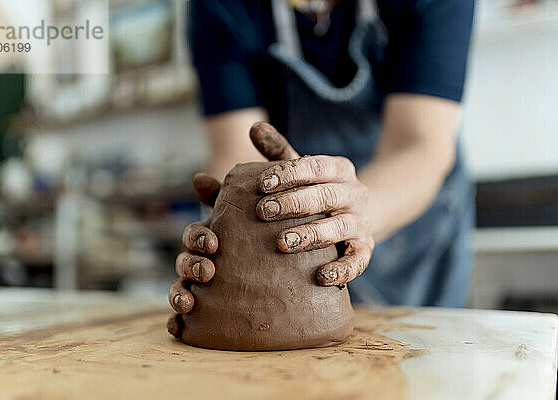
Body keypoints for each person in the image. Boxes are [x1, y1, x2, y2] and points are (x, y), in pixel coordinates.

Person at [168, 0, 475, 335]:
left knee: (423, 371)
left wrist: (347, 216)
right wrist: (227, 241)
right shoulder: (219, 6)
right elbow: (238, 154)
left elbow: (419, 144)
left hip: (412, 232)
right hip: (291, 239)